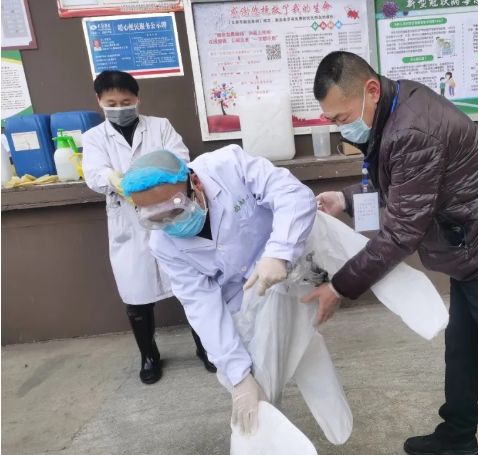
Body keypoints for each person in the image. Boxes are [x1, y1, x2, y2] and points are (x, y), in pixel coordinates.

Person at [307, 51, 478, 455]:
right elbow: (403, 183)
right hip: (473, 250)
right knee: (462, 349)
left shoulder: (411, 129)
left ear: (370, 90)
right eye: (332, 120)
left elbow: (400, 233)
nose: (341, 128)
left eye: (342, 117)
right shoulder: (395, 105)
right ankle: (458, 436)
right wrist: (344, 199)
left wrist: (339, 286)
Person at [120, 146, 317, 434]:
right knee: (254, 377)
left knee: (308, 349)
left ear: (195, 182)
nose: (170, 222)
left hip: (287, 260)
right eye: (156, 218)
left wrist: (279, 252)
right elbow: (201, 305)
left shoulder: (229, 165)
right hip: (239, 295)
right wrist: (239, 376)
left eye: (175, 209)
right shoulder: (163, 245)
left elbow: (294, 195)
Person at [82, 70, 215, 385]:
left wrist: (152, 181)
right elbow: (95, 173)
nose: (120, 108)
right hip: (128, 224)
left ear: (137, 98)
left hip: (171, 216)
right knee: (136, 295)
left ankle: (206, 347)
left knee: (190, 288)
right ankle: (149, 356)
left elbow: (179, 159)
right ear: (99, 101)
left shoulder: (160, 126)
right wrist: (114, 179)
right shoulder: (94, 137)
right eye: (112, 103)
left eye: (126, 101)